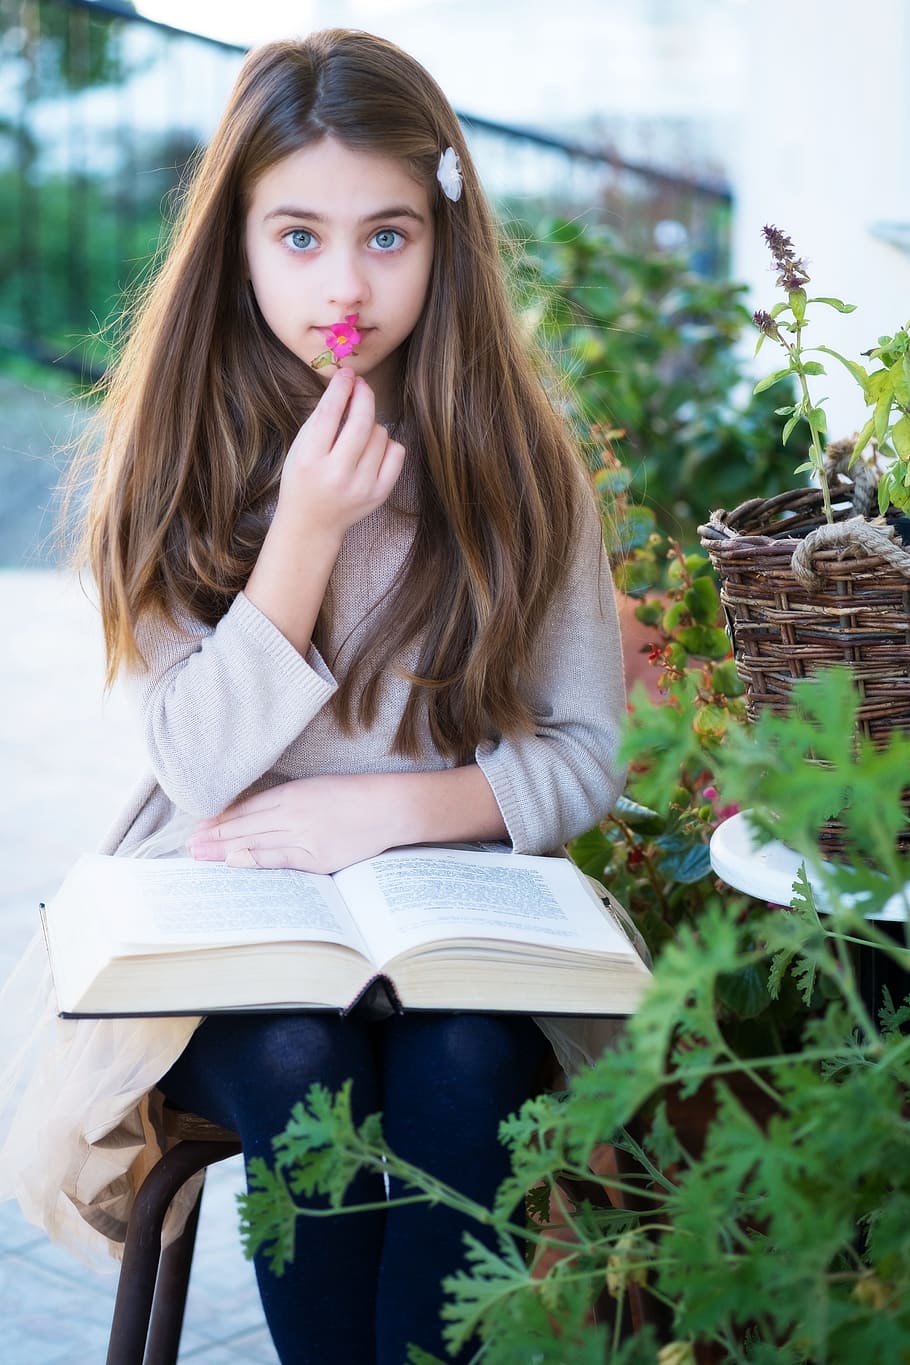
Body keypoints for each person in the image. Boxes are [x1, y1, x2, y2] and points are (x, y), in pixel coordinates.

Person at [0, 29, 627, 1365]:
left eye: (387, 236)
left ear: (443, 239)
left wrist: (391, 808)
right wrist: (303, 535)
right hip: (230, 925)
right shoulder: (177, 443)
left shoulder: (522, 462)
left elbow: (581, 754)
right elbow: (195, 757)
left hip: (457, 925)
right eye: (298, 236)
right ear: (234, 237)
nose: (344, 282)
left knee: (464, 1069)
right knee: (299, 1059)